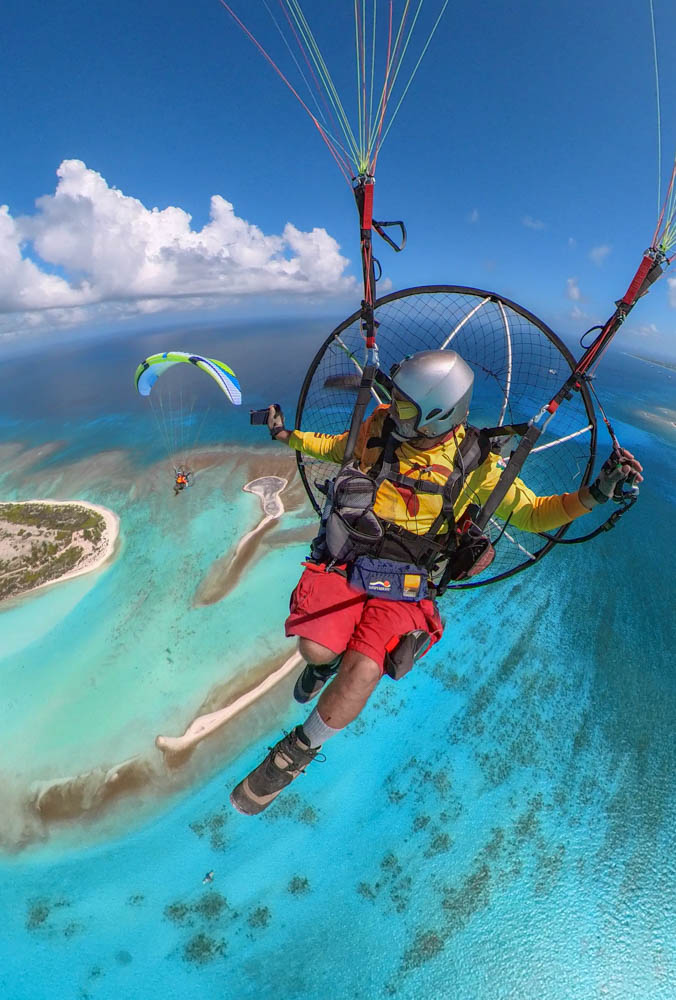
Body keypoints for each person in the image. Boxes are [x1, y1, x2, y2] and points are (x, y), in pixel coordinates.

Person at [230, 350, 643, 815]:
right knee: (315, 649)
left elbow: (533, 513)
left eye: (406, 407)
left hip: (405, 582)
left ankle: (295, 753)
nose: (394, 410)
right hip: (351, 558)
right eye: (397, 401)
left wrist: (595, 495)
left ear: (437, 415)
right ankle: (325, 665)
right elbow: (336, 447)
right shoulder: (381, 426)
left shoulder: (476, 463)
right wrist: (286, 435)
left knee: (364, 670)